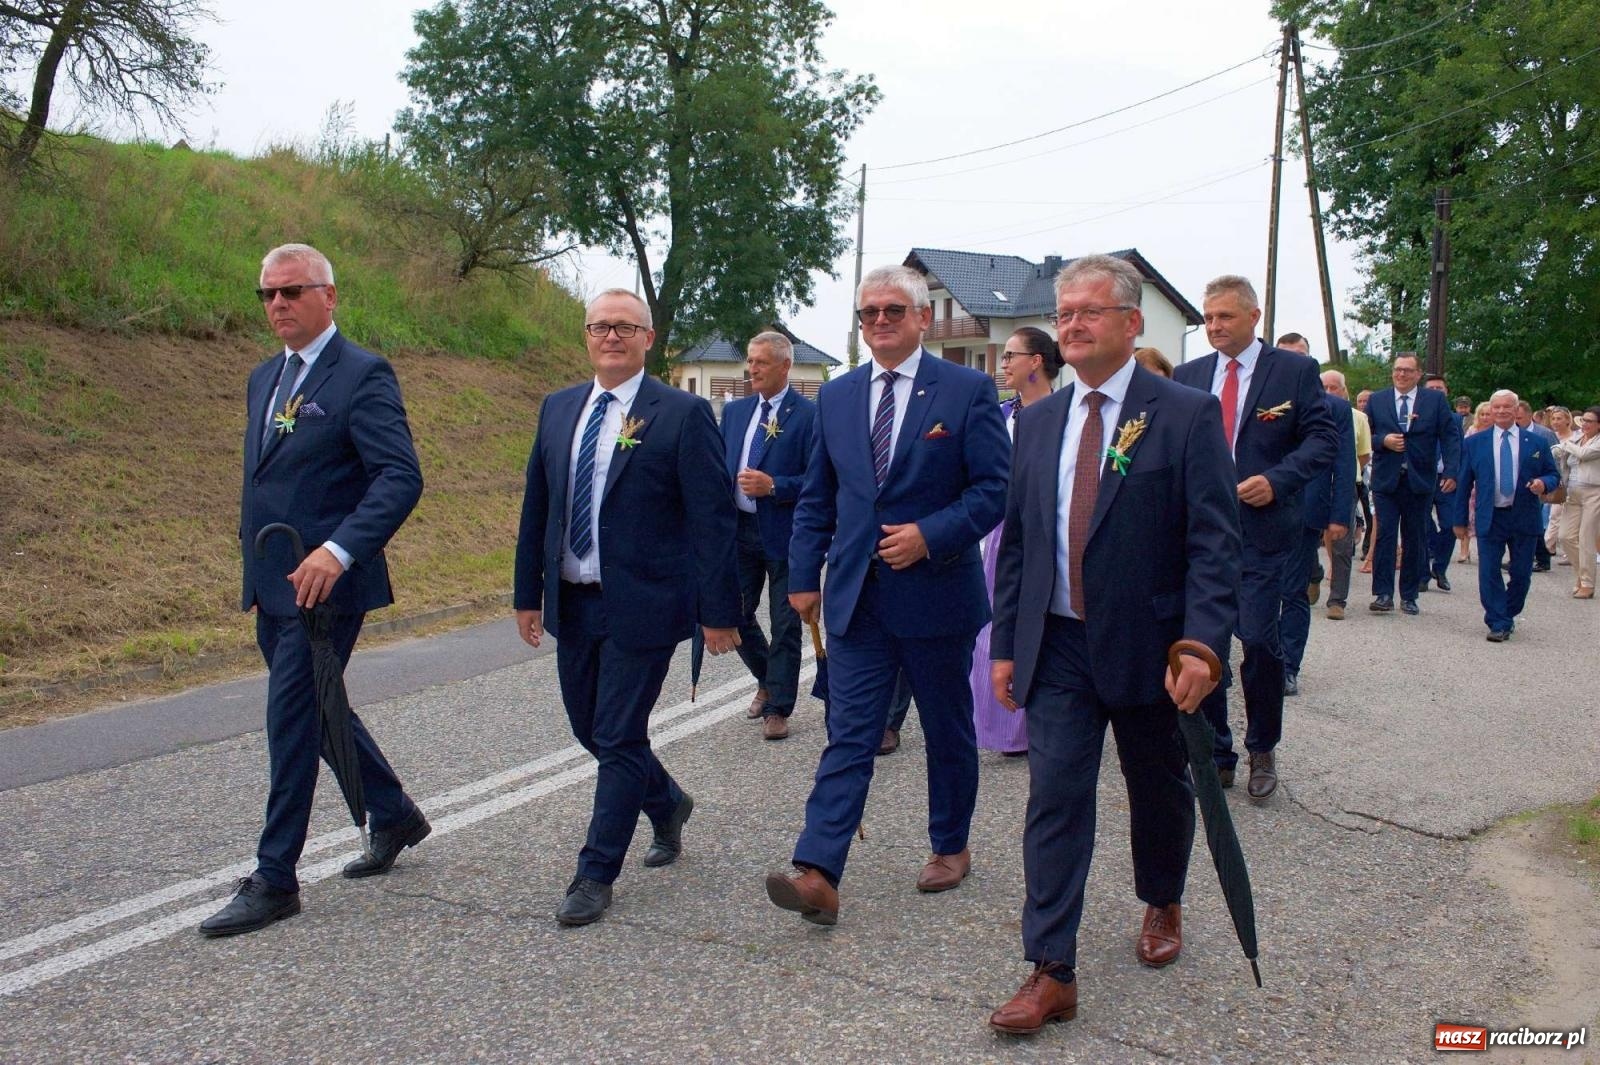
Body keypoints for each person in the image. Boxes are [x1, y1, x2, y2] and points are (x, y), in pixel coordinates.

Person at [985, 254, 1238, 1035]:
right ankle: (1050, 967)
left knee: (1157, 788)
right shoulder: (1039, 419)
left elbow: (1213, 544)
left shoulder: (1185, 413)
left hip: (1152, 644)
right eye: (1064, 314)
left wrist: (1200, 644)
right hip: (1057, 643)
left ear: (1131, 324)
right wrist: (1005, 642)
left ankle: (1162, 895)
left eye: (1089, 311)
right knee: (1055, 795)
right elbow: (1021, 540)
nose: (1072, 325)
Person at [766, 265, 1009, 925]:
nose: (879, 322)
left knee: (945, 725)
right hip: (857, 598)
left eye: (893, 311)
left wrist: (931, 535)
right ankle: (817, 867)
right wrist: (800, 576)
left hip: (936, 596)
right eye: (869, 312)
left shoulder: (966, 391)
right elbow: (819, 496)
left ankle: (951, 842)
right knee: (849, 732)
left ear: (922, 317)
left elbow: (993, 489)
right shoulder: (838, 397)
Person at [202, 243, 428, 938]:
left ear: (329, 296)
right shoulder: (262, 378)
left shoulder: (361, 374)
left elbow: (399, 476)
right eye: (267, 293)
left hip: (328, 586)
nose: (278, 304)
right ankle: (389, 811)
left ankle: (275, 877)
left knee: (292, 720)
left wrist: (338, 548)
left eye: (292, 291)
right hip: (273, 580)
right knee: (322, 709)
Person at [513, 289, 742, 927]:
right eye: (599, 327)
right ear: (586, 336)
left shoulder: (682, 414)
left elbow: (712, 519)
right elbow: (539, 507)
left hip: (645, 604)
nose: (610, 337)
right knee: (590, 729)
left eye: (624, 327)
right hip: (574, 601)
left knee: (616, 734)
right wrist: (526, 595)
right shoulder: (558, 409)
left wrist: (719, 612)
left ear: (647, 338)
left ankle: (595, 871)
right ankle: (667, 803)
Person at [1171, 277, 1336, 799]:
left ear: (1254, 317)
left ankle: (1262, 745)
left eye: (1225, 317)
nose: (1215, 327)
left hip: (1263, 533)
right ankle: (1217, 751)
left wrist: (1278, 480)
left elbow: (1323, 439)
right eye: (1209, 317)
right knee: (1204, 644)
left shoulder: (1294, 371)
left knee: (1260, 642)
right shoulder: (1189, 376)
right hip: (1199, 535)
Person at [968, 327, 1062, 756]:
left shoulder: (1063, 413)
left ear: (1037, 361)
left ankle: (1036, 719)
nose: (1002, 365)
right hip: (998, 530)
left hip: (1042, 528)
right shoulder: (1003, 414)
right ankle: (1000, 724)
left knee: (1039, 622)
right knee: (992, 625)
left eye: (1010, 356)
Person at [720, 332, 817, 741]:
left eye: (761, 362)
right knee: (732, 614)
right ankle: (768, 678)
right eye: (750, 360)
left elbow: (817, 480)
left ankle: (778, 708)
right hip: (739, 531)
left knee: (785, 622)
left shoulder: (809, 415)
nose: (752, 369)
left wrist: (774, 485)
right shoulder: (736, 412)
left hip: (785, 532)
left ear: (784, 366)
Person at [1277, 343, 1354, 697]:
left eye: (1299, 354)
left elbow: (1343, 462)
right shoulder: (1262, 395)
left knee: (1293, 589)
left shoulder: (1334, 407)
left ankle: (1288, 665)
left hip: (1306, 510)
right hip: (1256, 506)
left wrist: (1339, 515)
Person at [1453, 390, 1560, 640]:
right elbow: (1464, 483)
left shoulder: (1535, 442)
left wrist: (1543, 483)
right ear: (1490, 411)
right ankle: (1498, 621)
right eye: (1496, 407)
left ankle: (1508, 612)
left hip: (1523, 516)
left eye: (1506, 407)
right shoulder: (1474, 443)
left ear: (1516, 410)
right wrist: (1459, 521)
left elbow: (1553, 475)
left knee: (1521, 574)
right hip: (1491, 516)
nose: (1501, 411)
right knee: (1489, 570)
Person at [1365, 352, 1460, 616]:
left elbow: (1450, 437)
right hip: (1386, 479)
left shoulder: (1435, 400)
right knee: (1385, 534)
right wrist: (1382, 441)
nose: (1402, 375)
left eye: (1408, 370)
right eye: (1398, 370)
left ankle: (1409, 594)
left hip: (1420, 479)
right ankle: (1383, 593)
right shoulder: (1377, 400)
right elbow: (1364, 436)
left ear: (1418, 374)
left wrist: (1452, 471)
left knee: (1415, 536)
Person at [1319, 370, 1369, 620]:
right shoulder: (1309, 410)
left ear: (1344, 390)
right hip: (1312, 485)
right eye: (1324, 387)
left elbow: (1363, 454)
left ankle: (1337, 599)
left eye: (1334, 387)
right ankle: (1314, 574)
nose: (1328, 392)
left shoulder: (1358, 418)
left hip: (1345, 484)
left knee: (1341, 542)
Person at [1423, 373, 1461, 592]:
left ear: (1447, 392)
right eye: (1431, 389)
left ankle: (1439, 567)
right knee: (1422, 523)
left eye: (1440, 389)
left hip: (1446, 479)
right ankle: (1422, 573)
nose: (1436, 392)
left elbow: (1458, 449)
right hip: (1423, 478)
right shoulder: (1416, 415)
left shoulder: (1455, 419)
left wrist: (1453, 474)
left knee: (1449, 525)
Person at [1557, 406, 1600, 599]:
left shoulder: (1594, 442)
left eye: (1590, 421)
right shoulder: (1575, 439)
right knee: (1565, 536)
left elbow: (1584, 454)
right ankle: (1580, 576)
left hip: (1594, 492)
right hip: (1572, 492)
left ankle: (1588, 583)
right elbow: (1561, 454)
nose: (1585, 425)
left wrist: (1565, 444)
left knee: (1586, 538)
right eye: (1584, 420)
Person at [1517, 400, 1560, 572]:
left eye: (1519, 417)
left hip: (1539, 484)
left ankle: (1542, 558)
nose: (1516, 421)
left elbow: (1555, 458)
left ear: (1529, 415)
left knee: (1534, 521)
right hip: (1517, 485)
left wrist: (1546, 482)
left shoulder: (1544, 434)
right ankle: (1528, 558)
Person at [1544, 407, 1575, 565]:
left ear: (1568, 420)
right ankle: (1549, 547)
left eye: (1559, 418)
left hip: (1570, 483)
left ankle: (1546, 546)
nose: (1555, 422)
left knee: (1558, 516)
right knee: (1553, 516)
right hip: (1553, 482)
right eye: (1553, 418)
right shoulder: (1550, 436)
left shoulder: (1575, 438)